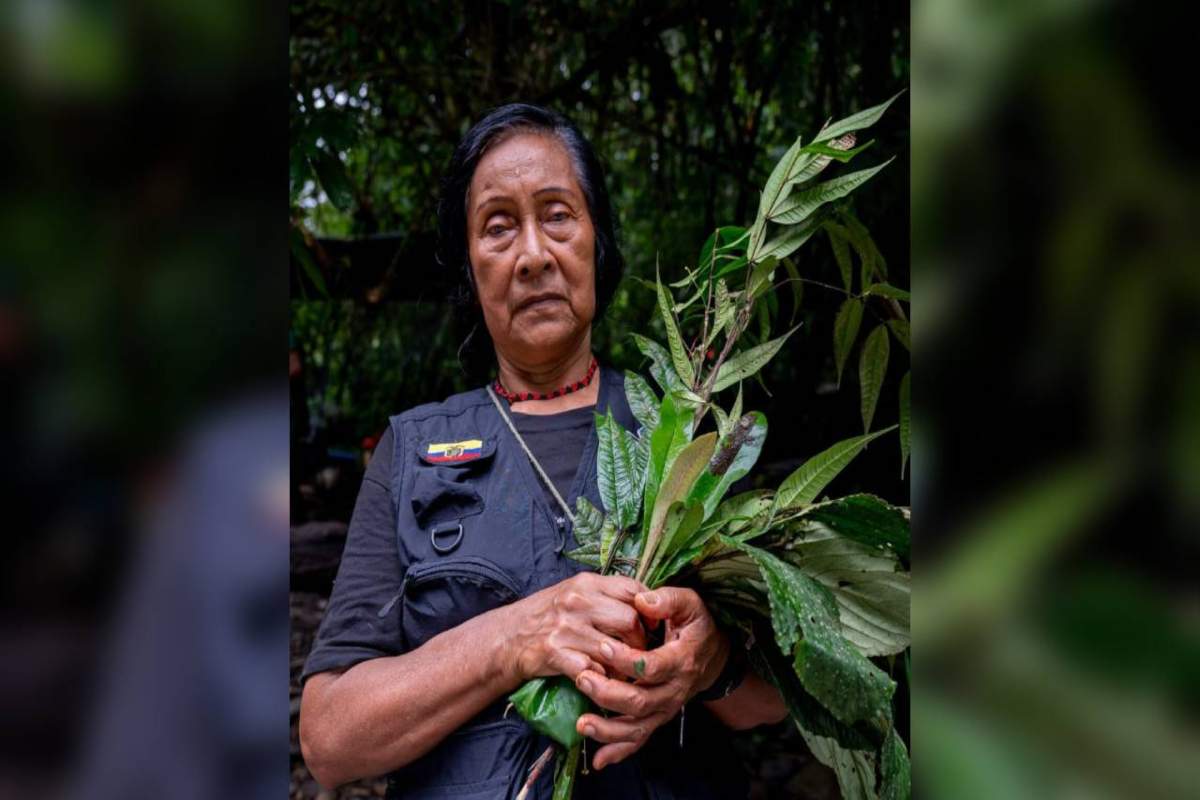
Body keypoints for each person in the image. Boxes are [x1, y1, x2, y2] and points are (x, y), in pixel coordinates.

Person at [299, 103, 787, 799]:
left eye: (558, 215)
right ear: (471, 270)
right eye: (497, 226)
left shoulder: (686, 432)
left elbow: (777, 701)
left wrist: (711, 663)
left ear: (597, 241)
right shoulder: (410, 449)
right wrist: (515, 639)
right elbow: (329, 739)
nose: (532, 255)